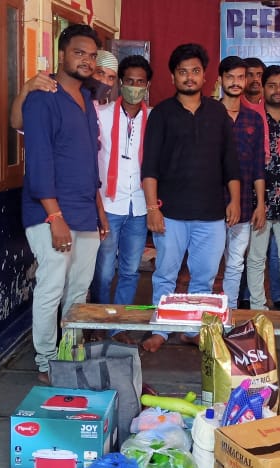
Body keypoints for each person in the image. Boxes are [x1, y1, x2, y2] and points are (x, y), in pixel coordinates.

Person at [20, 24, 109, 383]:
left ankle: (68, 353)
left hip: (85, 210)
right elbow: (39, 160)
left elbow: (89, 163)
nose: (86, 61)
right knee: (52, 286)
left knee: (78, 289)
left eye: (91, 56)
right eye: (79, 53)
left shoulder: (86, 100)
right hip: (50, 212)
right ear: (61, 54)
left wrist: (99, 210)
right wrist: (54, 216)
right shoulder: (43, 97)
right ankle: (45, 361)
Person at [140, 43, 241, 352]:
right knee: (165, 275)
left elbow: (230, 162)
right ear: (173, 77)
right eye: (182, 72)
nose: (189, 77)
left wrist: (234, 201)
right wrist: (152, 209)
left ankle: (194, 329)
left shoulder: (218, 112)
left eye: (195, 71)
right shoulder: (161, 114)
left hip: (210, 215)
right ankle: (161, 329)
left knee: (205, 279)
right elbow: (150, 165)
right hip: (170, 214)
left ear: (204, 75)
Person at [91, 55, 153, 323]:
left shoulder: (154, 119)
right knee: (104, 271)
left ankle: (120, 326)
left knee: (129, 270)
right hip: (109, 205)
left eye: (140, 82)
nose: (135, 86)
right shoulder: (101, 116)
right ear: (120, 83)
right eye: (129, 81)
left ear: (147, 85)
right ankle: (101, 321)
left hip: (139, 206)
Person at [246, 65, 280, 312]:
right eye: (272, 85)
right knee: (256, 259)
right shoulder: (252, 119)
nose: (277, 90)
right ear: (263, 87)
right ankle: (258, 306)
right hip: (257, 203)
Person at [218, 56, 266, 311]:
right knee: (208, 263)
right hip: (211, 205)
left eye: (240, 77)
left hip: (246, 205)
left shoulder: (254, 120)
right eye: (230, 77)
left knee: (236, 262)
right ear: (220, 80)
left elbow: (259, 165)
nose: (236, 83)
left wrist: (260, 204)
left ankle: (229, 314)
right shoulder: (209, 114)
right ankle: (203, 319)